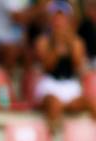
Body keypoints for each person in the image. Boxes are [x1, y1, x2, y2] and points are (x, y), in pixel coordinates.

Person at [34, 0, 96, 132]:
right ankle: (53, 138)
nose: (58, 21)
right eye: (56, 17)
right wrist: (57, 49)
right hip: (49, 84)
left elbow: (78, 66)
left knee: (92, 104)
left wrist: (69, 43)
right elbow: (46, 67)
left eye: (62, 17)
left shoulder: (77, 42)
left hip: (70, 85)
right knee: (54, 104)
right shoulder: (43, 41)